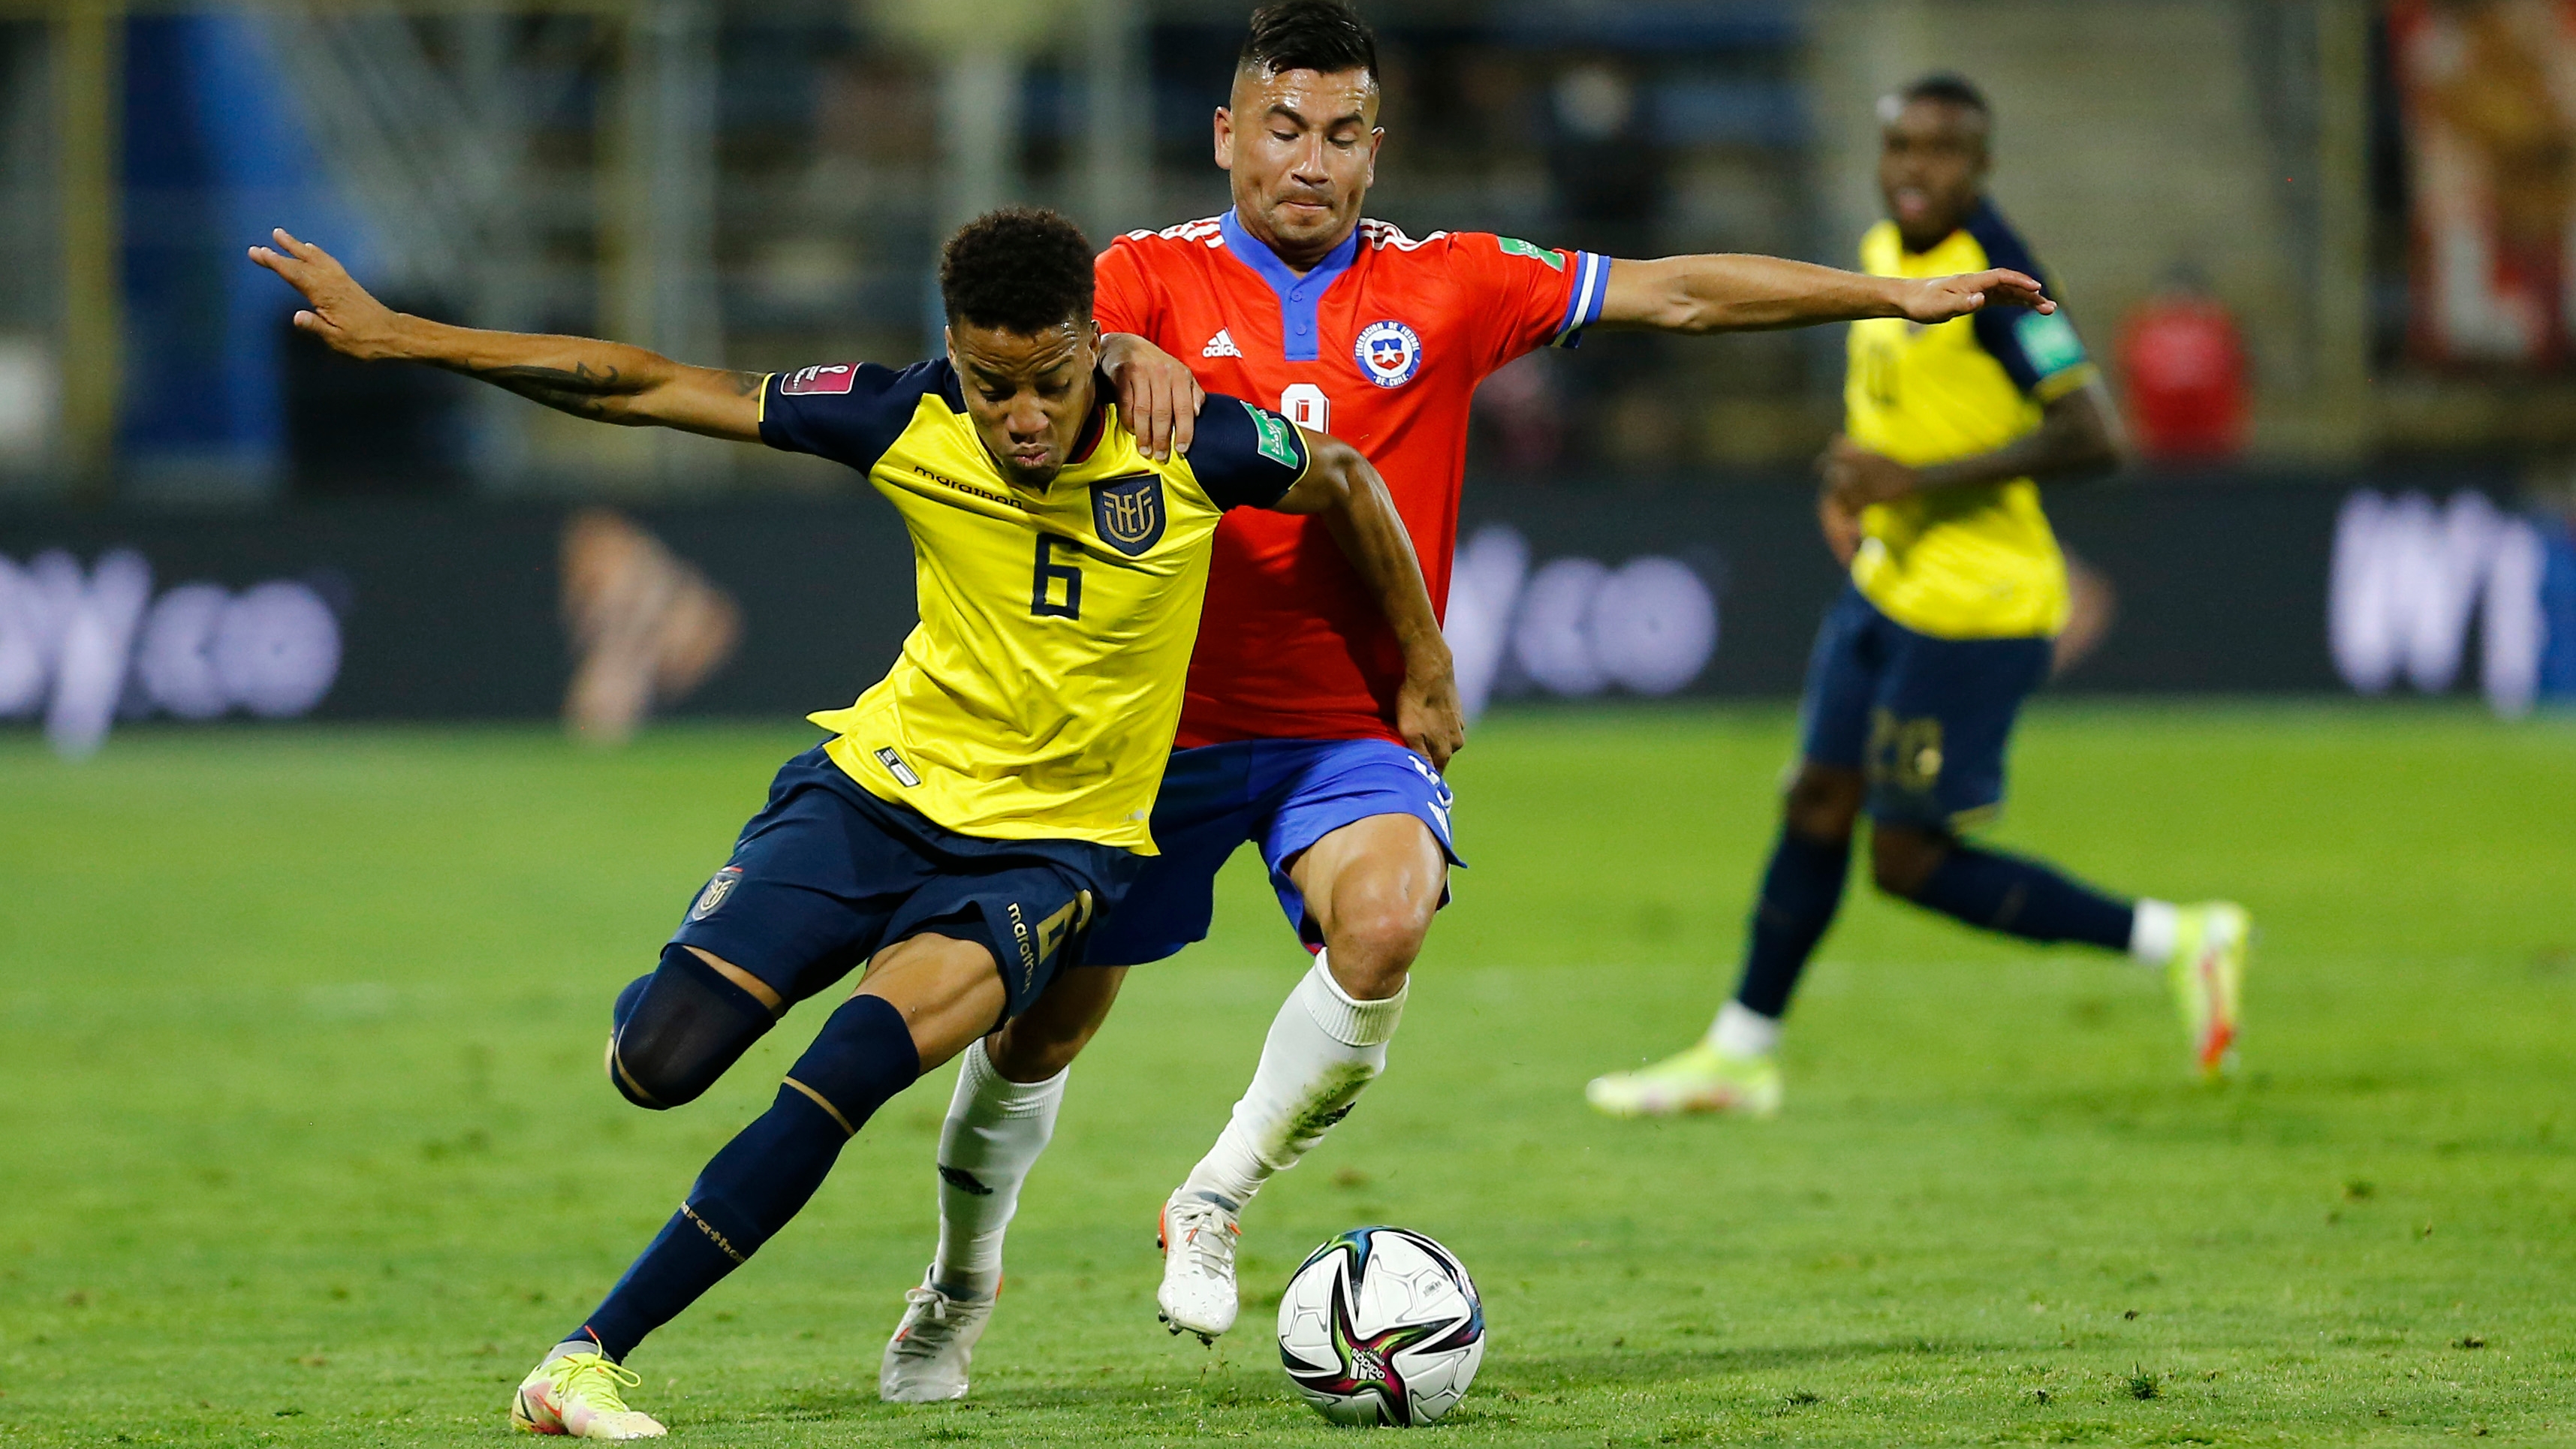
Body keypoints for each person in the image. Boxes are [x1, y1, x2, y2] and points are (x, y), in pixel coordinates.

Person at [878, 2, 2066, 1399]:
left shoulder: (1453, 282)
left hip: (1350, 728)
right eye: (1279, 128)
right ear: (1226, 135)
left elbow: (1675, 290)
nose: (1307, 161)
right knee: (1040, 1033)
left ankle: (1211, 1195)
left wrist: (1893, 296)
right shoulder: (1141, 276)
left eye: (1339, 135)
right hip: (1155, 726)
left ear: (1376, 150)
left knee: (1386, 922)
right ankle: (958, 1285)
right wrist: (1130, 355)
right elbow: (1034, 362)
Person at [251, 205, 1457, 1438]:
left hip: (1049, 857)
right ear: (954, 353)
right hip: (873, 794)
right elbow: (648, 387)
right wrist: (405, 336)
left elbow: (1351, 479)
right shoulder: (904, 416)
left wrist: (1422, 660)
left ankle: (584, 1357)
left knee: (847, 1072)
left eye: (1048, 382)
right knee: (656, 1063)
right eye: (994, 388)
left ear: (1097, 347)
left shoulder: (1193, 440)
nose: (1023, 419)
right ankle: (713, 969)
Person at [1583, 75, 2250, 1122]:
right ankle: (1740, 1053)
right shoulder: (1888, 253)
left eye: (1941, 151)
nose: (1914, 169)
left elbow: (2094, 434)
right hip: (1887, 585)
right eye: (1900, 146)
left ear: (1980, 168)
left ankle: (2183, 938)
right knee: (1814, 798)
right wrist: (1853, 480)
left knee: (1907, 860)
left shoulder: (2003, 283)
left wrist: (1915, 485)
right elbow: (1893, 408)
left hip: (1975, 608)